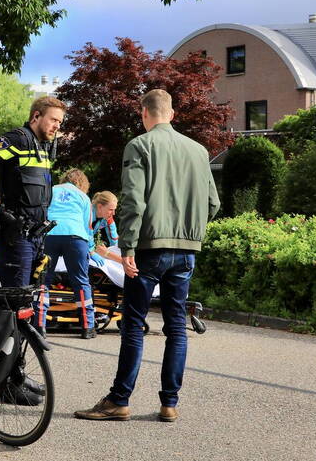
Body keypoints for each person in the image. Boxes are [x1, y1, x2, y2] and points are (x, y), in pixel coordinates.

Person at [75, 89, 219, 423]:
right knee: (177, 329)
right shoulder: (199, 151)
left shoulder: (140, 146)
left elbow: (135, 203)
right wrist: (190, 231)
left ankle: (119, 400)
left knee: (134, 325)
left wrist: (126, 248)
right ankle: (169, 403)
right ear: (172, 114)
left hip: (148, 249)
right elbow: (213, 203)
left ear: (144, 114)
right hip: (186, 251)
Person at [0, 96, 67, 293]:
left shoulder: (44, 146)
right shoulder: (17, 139)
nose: (57, 126)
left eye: (60, 122)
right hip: (16, 235)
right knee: (16, 298)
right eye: (53, 120)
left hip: (36, 236)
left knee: (30, 297)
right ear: (35, 117)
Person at [42, 169, 96, 339]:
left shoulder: (50, 190)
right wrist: (91, 248)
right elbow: (88, 227)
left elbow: (41, 212)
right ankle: (87, 327)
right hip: (76, 237)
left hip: (49, 234)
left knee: (43, 280)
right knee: (80, 281)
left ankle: (39, 325)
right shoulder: (83, 197)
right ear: (83, 183)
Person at [90, 191, 123, 264]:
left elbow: (114, 239)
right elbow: (83, 237)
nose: (113, 213)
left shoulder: (108, 218)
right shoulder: (87, 213)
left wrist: (114, 253)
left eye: (114, 210)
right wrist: (91, 252)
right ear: (99, 207)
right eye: (111, 210)